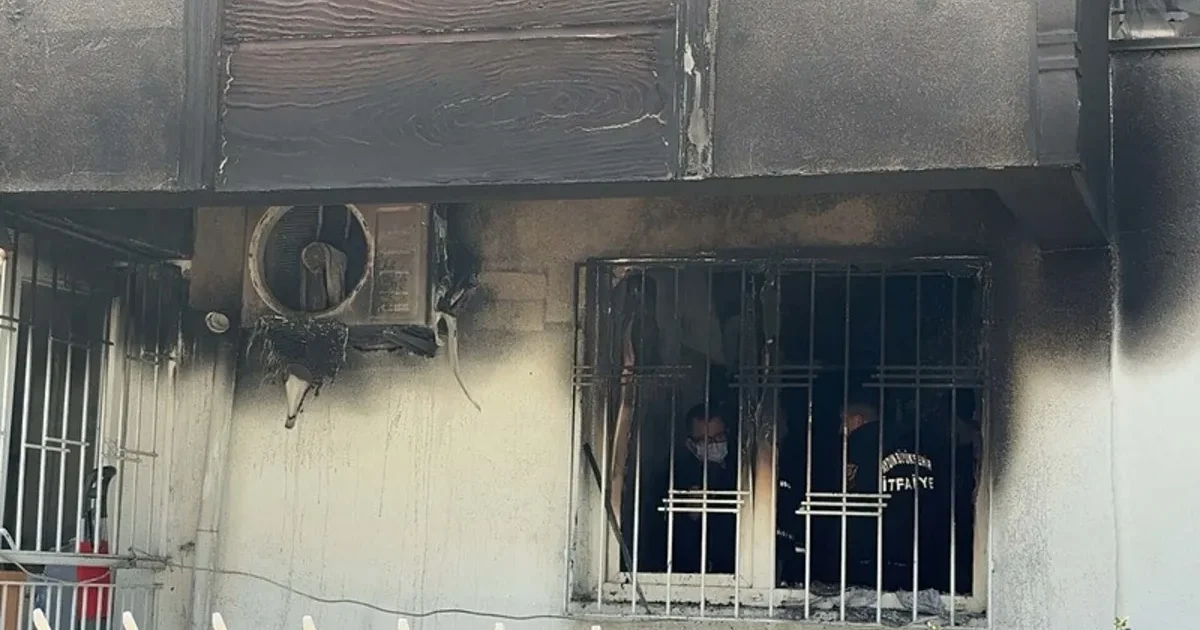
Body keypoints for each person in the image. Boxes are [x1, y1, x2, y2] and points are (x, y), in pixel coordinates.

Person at [665, 403, 739, 574]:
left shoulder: (740, 472)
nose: (714, 445)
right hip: (692, 572)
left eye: (719, 437)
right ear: (691, 445)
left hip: (738, 568)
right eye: (706, 440)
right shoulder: (678, 478)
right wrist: (691, 517)